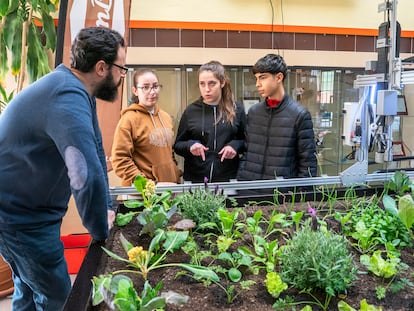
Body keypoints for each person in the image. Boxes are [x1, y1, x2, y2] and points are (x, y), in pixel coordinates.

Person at [0, 26, 124, 310]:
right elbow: (83, 174)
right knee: (59, 298)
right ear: (102, 67)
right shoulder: (65, 96)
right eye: (121, 68)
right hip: (20, 221)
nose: (121, 76)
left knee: (29, 290)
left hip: (23, 215)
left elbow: (95, 152)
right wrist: (100, 230)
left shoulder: (76, 91)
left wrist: (106, 210)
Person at [237, 53, 317, 187]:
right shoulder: (253, 112)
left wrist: (300, 199)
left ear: (279, 77)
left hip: (280, 196)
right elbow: (247, 152)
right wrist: (241, 181)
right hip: (249, 190)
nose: (257, 84)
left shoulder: (300, 115)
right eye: (256, 78)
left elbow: (307, 163)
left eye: (263, 78)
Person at [174, 60, 246, 183]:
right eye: (202, 84)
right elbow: (178, 145)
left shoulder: (237, 110)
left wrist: (234, 146)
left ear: (222, 82)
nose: (206, 89)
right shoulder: (191, 111)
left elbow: (246, 141)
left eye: (212, 83)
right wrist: (191, 145)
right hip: (196, 179)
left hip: (227, 178)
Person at [111, 68, 182, 186]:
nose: (152, 92)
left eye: (155, 86)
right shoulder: (128, 119)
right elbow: (120, 160)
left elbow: (169, 153)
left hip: (168, 190)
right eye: (145, 87)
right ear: (135, 91)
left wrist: (174, 173)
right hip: (142, 195)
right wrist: (146, 184)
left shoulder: (165, 117)